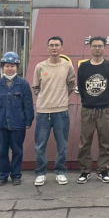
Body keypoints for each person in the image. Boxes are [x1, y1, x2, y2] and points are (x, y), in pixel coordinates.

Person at [32, 36, 76, 186]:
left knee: (62, 145)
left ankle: (60, 171)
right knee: (40, 145)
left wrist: (60, 98)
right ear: (48, 48)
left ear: (62, 48)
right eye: (51, 45)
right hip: (43, 112)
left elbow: (71, 85)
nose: (54, 47)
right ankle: (40, 172)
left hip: (61, 111)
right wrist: (45, 99)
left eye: (57, 45)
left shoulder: (67, 66)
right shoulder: (40, 67)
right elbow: (36, 87)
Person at [0, 52, 34, 186]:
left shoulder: (23, 84)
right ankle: (3, 175)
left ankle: (16, 175)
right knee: (2, 151)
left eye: (13, 66)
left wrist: (28, 120)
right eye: (7, 66)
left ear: (17, 67)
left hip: (18, 124)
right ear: (3, 67)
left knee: (17, 150)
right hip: (0, 124)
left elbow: (28, 104)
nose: (10, 69)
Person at [76, 36, 109, 184]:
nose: (97, 48)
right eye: (94, 46)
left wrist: (103, 100)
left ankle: (103, 170)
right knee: (85, 142)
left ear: (104, 48)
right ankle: (85, 171)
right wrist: (88, 100)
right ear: (90, 48)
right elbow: (81, 87)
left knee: (105, 142)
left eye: (100, 46)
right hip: (87, 109)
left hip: (104, 110)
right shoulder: (84, 67)